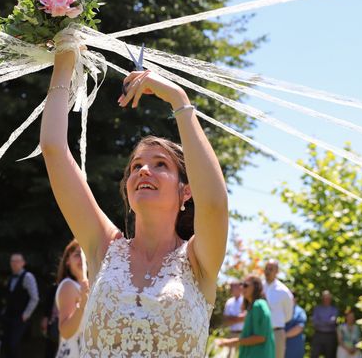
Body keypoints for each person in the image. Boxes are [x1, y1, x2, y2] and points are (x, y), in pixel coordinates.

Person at [40, 48, 228, 355]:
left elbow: (215, 205)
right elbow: (53, 149)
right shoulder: (103, 246)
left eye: (160, 165)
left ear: (186, 191)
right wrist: (64, 64)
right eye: (136, 165)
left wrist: (179, 100)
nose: (143, 170)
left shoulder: (200, 260)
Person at [217, 274, 275, 357]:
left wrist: (231, 341)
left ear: (255, 287)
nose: (242, 288)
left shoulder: (258, 305)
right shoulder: (253, 306)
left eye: (245, 285)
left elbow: (260, 337)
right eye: (241, 285)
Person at [55, 239, 89, 358]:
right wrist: (83, 304)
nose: (82, 259)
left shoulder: (89, 286)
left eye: (84, 254)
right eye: (77, 254)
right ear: (68, 261)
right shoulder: (68, 286)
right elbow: (65, 331)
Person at [1, 252, 39, 358]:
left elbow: (34, 298)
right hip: (9, 317)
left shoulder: (28, 277)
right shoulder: (10, 277)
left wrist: (26, 314)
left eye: (17, 261)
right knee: (7, 345)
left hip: (20, 318)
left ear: (23, 263)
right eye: (12, 261)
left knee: (15, 345)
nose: (14, 263)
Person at [264, 259, 294, 358]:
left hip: (276, 333)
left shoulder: (284, 291)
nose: (267, 271)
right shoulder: (258, 287)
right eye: (266, 268)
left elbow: (288, 315)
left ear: (277, 271)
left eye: (271, 269)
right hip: (258, 333)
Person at [311, 290, 339, 358]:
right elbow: (315, 322)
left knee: (330, 355)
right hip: (318, 335)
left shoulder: (334, 309)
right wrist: (327, 321)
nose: (326, 299)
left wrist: (321, 321)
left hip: (330, 336)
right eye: (324, 298)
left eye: (328, 298)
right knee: (314, 354)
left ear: (330, 299)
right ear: (322, 298)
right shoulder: (317, 309)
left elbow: (333, 321)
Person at [222, 281, 245, 357]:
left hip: (243, 334)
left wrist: (232, 319)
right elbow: (225, 319)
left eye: (234, 286)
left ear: (240, 287)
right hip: (232, 333)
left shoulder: (245, 300)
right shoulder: (229, 302)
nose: (232, 289)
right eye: (231, 287)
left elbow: (245, 318)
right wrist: (238, 318)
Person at [285, 291, 307, 358]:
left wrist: (283, 336)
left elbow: (299, 327)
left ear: (295, 299)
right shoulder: (282, 310)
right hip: (283, 346)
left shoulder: (299, 312)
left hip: (295, 346)